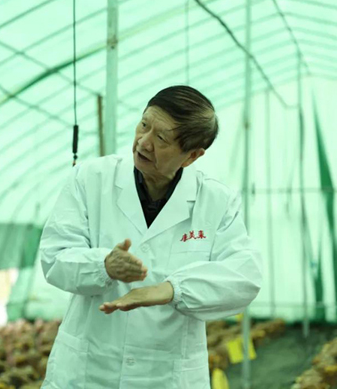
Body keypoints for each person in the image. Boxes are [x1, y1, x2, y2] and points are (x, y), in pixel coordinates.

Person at [40, 85, 262, 388]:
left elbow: (244, 278)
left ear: (192, 156)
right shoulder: (90, 178)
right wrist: (103, 265)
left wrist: (173, 290)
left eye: (161, 138)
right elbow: (55, 257)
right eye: (144, 125)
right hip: (89, 371)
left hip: (165, 376)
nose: (143, 142)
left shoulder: (216, 201)